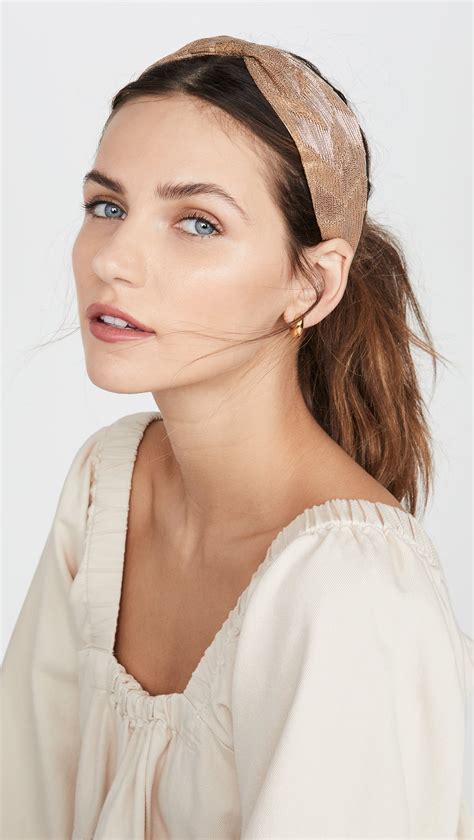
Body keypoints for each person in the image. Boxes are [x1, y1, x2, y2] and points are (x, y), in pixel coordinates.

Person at [1, 34, 472, 839]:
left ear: (311, 284)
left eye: (198, 222)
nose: (114, 260)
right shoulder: (108, 484)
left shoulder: (351, 593)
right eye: (107, 207)